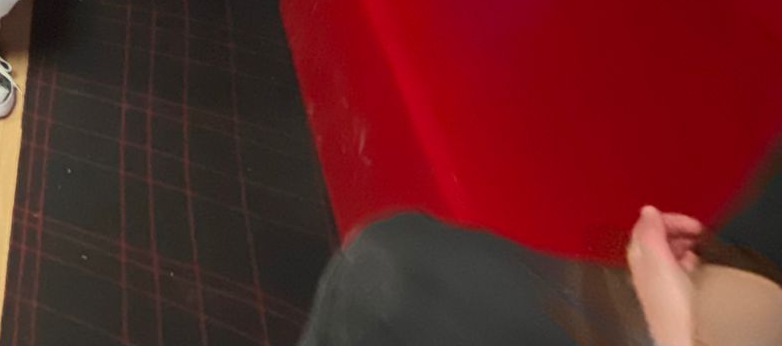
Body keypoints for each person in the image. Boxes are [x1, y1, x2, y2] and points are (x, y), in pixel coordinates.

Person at [298, 142, 782, 346]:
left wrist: (672, 326)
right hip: (725, 282)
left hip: (682, 328)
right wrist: (699, 259)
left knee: (388, 283)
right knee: (388, 276)